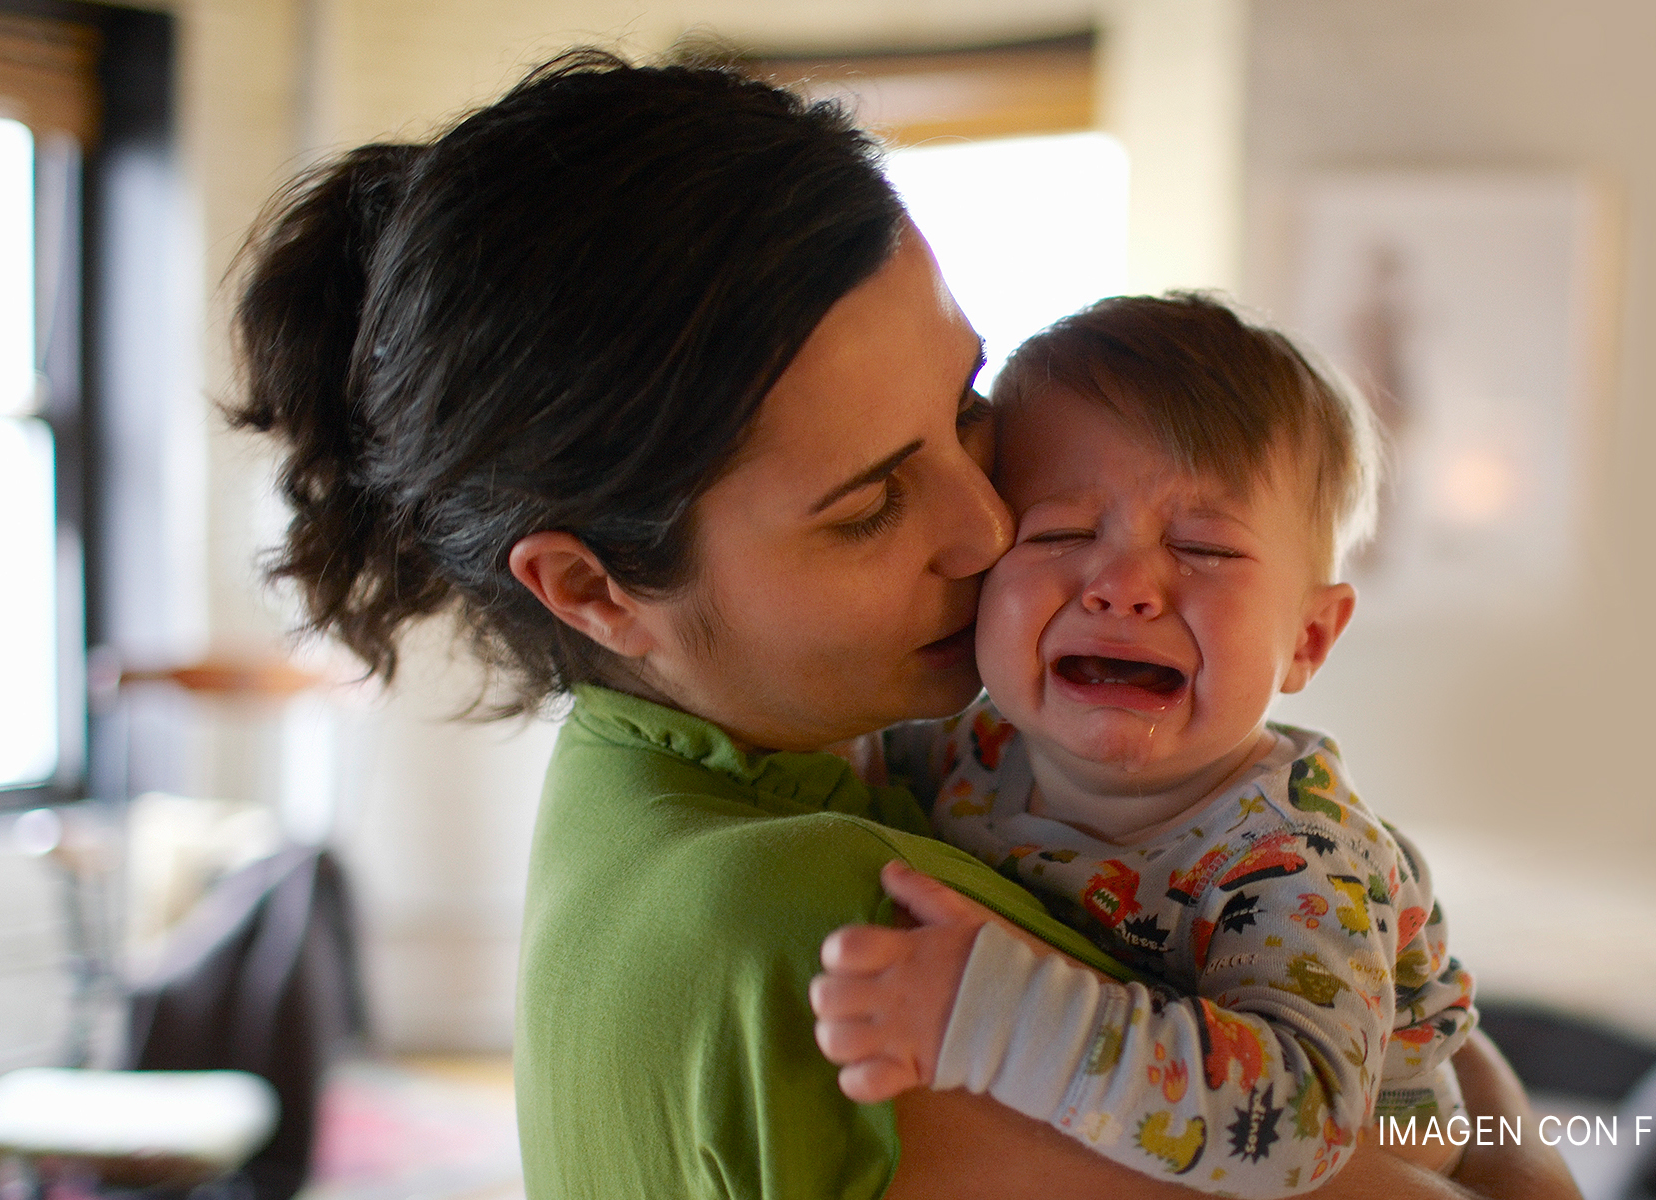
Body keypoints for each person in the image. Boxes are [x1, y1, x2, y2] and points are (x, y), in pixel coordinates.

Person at [227, 46, 1579, 1200]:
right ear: (592, 589)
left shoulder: (649, 783)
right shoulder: (843, 920)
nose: (989, 527)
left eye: (964, 409)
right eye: (872, 500)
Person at [809, 295, 1476, 1196]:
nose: (1122, 586)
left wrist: (1001, 1020)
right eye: (1062, 534)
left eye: (1204, 548)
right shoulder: (966, 747)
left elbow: (1302, 1128)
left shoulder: (1298, 862)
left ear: (1310, 640)